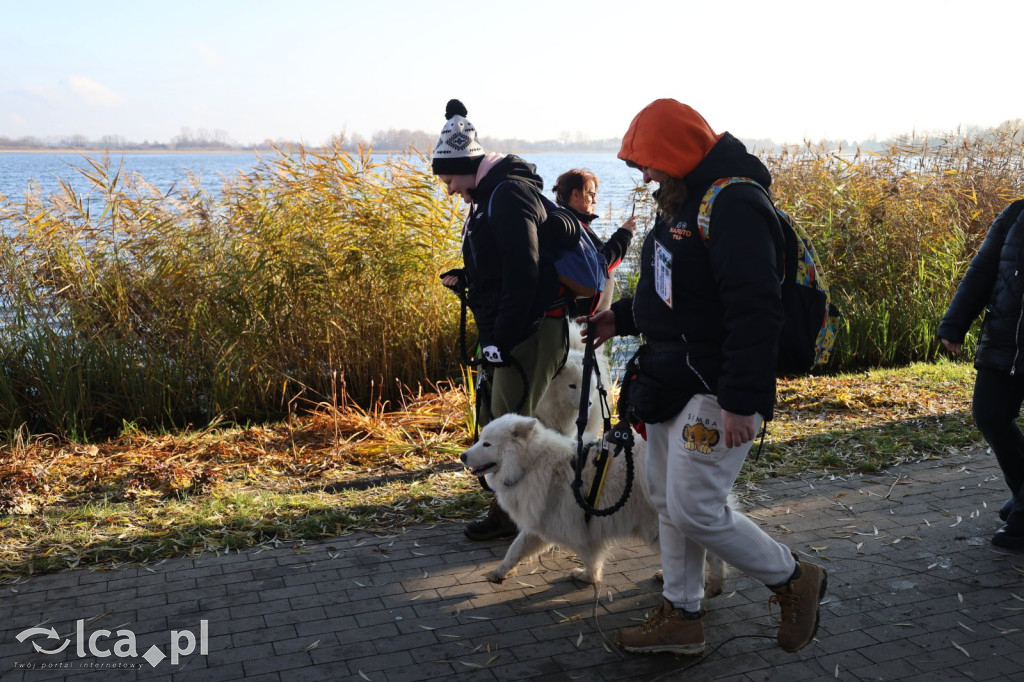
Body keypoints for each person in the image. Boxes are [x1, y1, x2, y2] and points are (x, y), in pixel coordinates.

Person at [580, 99, 827, 656]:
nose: (642, 174)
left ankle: (793, 579)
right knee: (667, 499)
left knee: (695, 506)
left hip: (717, 386)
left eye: (646, 161)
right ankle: (682, 617)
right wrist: (622, 319)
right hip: (675, 379)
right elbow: (678, 296)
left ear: (674, 151)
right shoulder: (680, 202)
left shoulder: (734, 203)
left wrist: (742, 399)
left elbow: (755, 308)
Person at [432, 99, 572, 541]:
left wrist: (503, 336)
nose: (449, 189)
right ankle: (512, 512)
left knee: (511, 427)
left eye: (448, 178)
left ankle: (520, 518)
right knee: (497, 419)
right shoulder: (490, 194)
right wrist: (470, 278)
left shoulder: (507, 194)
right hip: (512, 328)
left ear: (465, 165)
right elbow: (502, 266)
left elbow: (523, 270)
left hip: (528, 330)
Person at [938, 199, 1024, 549]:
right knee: (989, 413)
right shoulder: (1016, 214)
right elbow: (983, 269)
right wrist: (955, 322)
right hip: (1006, 339)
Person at [551, 168, 637, 315]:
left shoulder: (570, 222)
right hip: (581, 322)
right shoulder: (570, 228)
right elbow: (601, 263)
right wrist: (624, 235)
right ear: (575, 194)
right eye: (591, 195)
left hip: (587, 319)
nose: (595, 200)